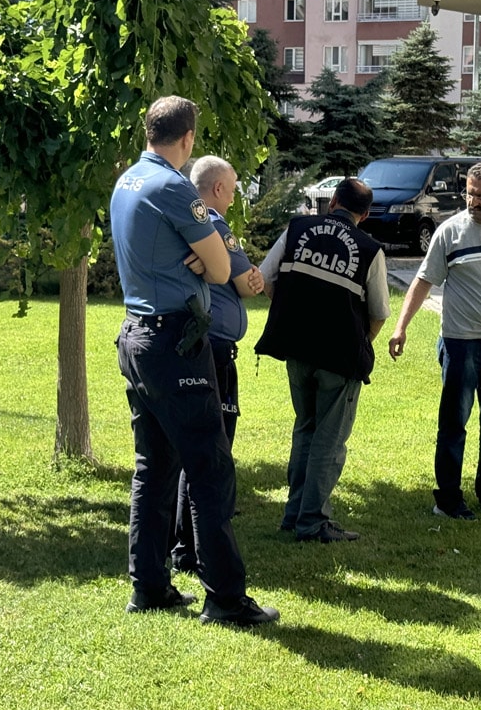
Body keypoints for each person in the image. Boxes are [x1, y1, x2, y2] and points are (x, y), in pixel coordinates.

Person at [110, 95, 278, 626]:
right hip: (176, 340)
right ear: (188, 139)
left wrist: (205, 261)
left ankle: (149, 586)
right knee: (210, 468)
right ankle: (224, 598)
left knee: (154, 466)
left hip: (136, 335)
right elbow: (223, 269)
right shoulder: (174, 187)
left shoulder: (127, 181)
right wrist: (209, 263)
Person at [388, 161, 481, 521]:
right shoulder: (450, 232)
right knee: (454, 423)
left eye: (480, 196)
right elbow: (423, 281)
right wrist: (401, 327)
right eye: (469, 193)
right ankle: (448, 499)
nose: (472, 201)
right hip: (460, 343)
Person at [255, 178, 390, 543]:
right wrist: (361, 343)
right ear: (365, 215)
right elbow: (379, 313)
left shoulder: (297, 228)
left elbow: (264, 279)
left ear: (332, 202)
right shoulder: (369, 249)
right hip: (339, 356)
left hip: (296, 348)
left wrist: (292, 306)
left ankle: (294, 514)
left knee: (305, 428)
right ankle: (313, 521)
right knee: (329, 440)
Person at [169, 155, 264, 575]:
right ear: (219, 188)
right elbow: (247, 284)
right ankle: (193, 548)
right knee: (212, 448)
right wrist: (251, 277)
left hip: (200, 344)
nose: (235, 195)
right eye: (234, 187)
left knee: (192, 448)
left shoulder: (186, 222)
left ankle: (183, 543)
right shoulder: (215, 225)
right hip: (216, 347)